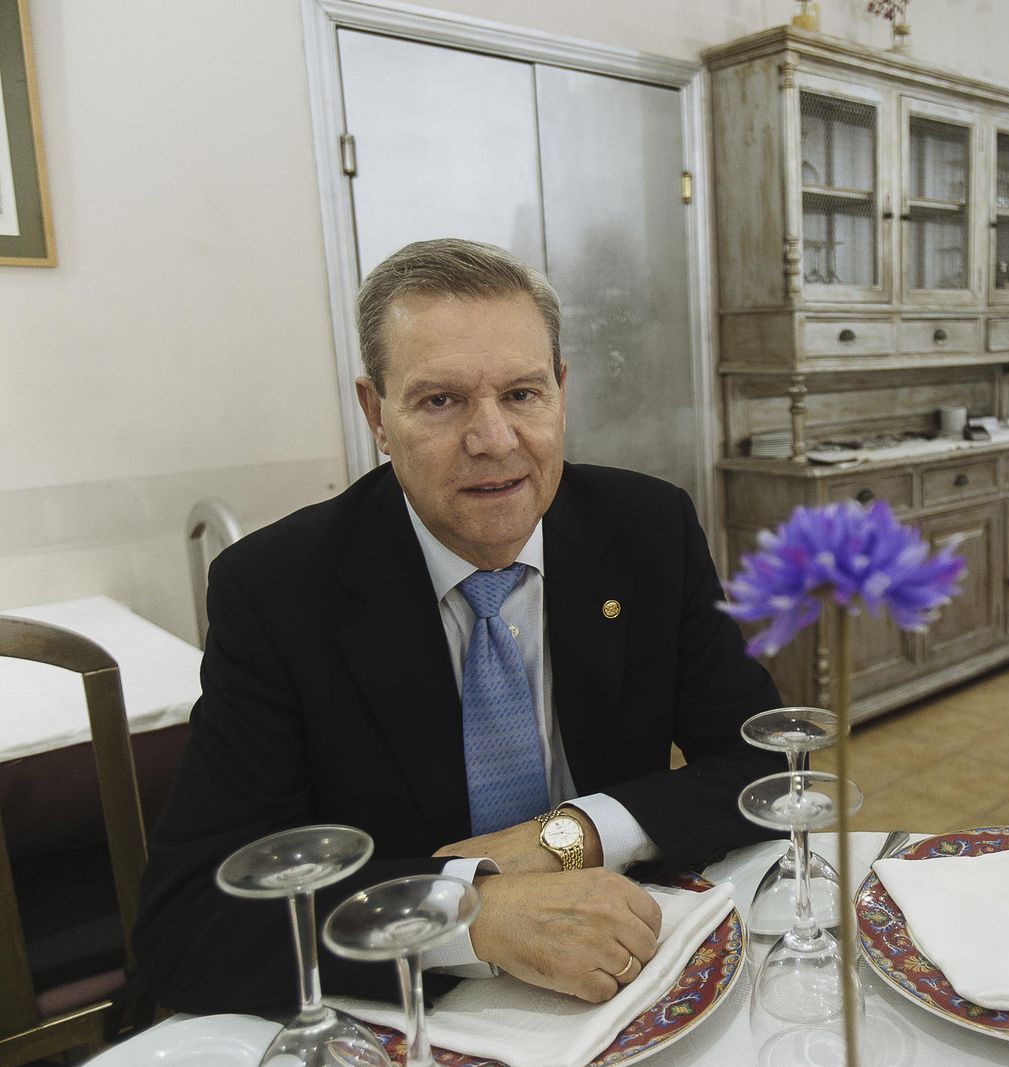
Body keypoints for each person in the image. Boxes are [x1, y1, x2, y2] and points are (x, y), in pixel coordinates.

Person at [133, 238, 784, 1012]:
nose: (493, 440)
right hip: (411, 1004)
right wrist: (466, 908)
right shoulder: (278, 590)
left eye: (522, 394)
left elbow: (769, 767)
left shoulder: (648, 530)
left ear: (562, 392)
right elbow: (189, 917)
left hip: (621, 975)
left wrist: (572, 833)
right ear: (376, 413)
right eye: (440, 400)